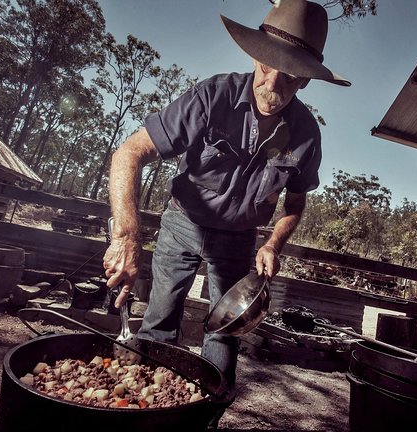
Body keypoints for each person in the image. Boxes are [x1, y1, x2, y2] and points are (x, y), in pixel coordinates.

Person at [102, 0, 350, 409]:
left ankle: (204, 416)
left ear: (306, 81)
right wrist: (127, 236)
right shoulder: (211, 96)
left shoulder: (307, 135)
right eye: (268, 66)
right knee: (159, 318)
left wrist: (272, 246)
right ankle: (142, 412)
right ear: (255, 56)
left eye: (290, 77)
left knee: (224, 331)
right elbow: (128, 154)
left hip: (238, 240)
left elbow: (295, 203)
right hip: (183, 221)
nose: (274, 85)